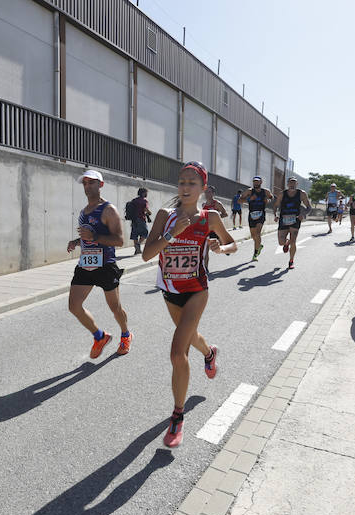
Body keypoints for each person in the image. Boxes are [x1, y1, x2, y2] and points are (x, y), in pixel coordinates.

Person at [142, 161, 237, 447]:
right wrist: (171, 235)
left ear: (203, 189)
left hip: (197, 290)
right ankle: (209, 353)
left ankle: (177, 417)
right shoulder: (164, 215)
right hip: (170, 291)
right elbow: (147, 254)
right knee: (190, 335)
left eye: (192, 183)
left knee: (177, 352)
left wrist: (221, 248)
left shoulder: (209, 218)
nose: (185, 187)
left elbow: (233, 243)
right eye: (182, 182)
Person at [67, 170, 132, 357]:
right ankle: (99, 336)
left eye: (91, 183)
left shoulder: (109, 210)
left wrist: (94, 236)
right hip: (86, 264)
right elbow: (87, 236)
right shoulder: (83, 212)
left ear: (100, 185)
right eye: (85, 183)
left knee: (115, 308)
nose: (87, 186)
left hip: (105, 265)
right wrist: (76, 242)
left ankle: (126, 334)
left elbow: (119, 240)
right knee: (74, 306)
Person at [272, 176, 312, 269]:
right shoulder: (282, 194)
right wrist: (275, 215)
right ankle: (286, 243)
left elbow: (309, 208)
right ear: (287, 184)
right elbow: (276, 206)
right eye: (290, 182)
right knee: (281, 242)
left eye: (294, 182)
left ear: (297, 184)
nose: (292, 184)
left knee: (293, 241)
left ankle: (291, 261)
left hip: (296, 219)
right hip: (283, 219)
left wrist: (303, 214)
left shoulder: (301, 193)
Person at [238, 176, 274, 261]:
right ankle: (259, 245)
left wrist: (268, 201)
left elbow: (272, 198)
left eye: (257, 182)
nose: (255, 183)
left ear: (261, 182)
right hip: (251, 214)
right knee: (253, 236)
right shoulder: (249, 191)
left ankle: (255, 253)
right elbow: (239, 201)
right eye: (254, 182)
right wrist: (249, 199)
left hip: (261, 214)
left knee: (258, 233)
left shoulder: (265, 191)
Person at [201, 185, 229, 273]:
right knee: (206, 249)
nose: (207, 194)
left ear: (213, 194)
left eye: (209, 192)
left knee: (220, 243)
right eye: (206, 192)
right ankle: (206, 268)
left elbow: (225, 214)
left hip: (216, 228)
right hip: (207, 230)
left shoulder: (217, 204)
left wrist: (216, 217)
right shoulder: (203, 205)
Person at [128, 187, 152, 255]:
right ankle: (138, 245)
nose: (147, 194)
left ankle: (137, 250)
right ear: (143, 193)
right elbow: (146, 210)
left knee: (135, 234)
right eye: (146, 192)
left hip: (134, 220)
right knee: (145, 233)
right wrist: (149, 213)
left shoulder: (134, 200)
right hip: (141, 219)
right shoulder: (144, 201)